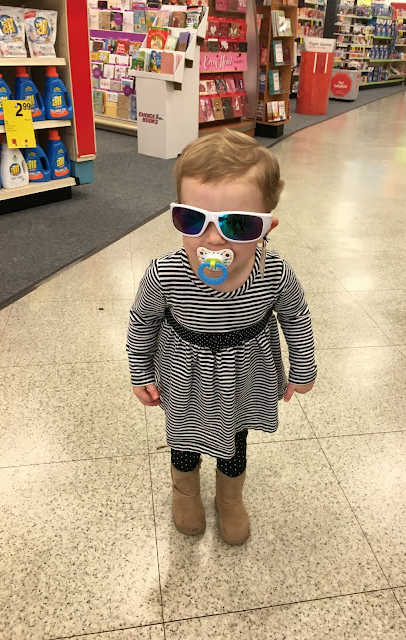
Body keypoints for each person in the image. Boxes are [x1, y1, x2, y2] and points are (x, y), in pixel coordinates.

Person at [127, 130, 316, 545]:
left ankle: (230, 498)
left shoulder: (275, 274)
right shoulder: (165, 274)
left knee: (236, 436)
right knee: (184, 437)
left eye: (238, 224)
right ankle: (185, 492)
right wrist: (140, 371)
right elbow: (142, 321)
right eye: (192, 220)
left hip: (244, 376)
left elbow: (295, 316)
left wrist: (303, 367)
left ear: (266, 227)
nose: (212, 238)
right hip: (185, 376)